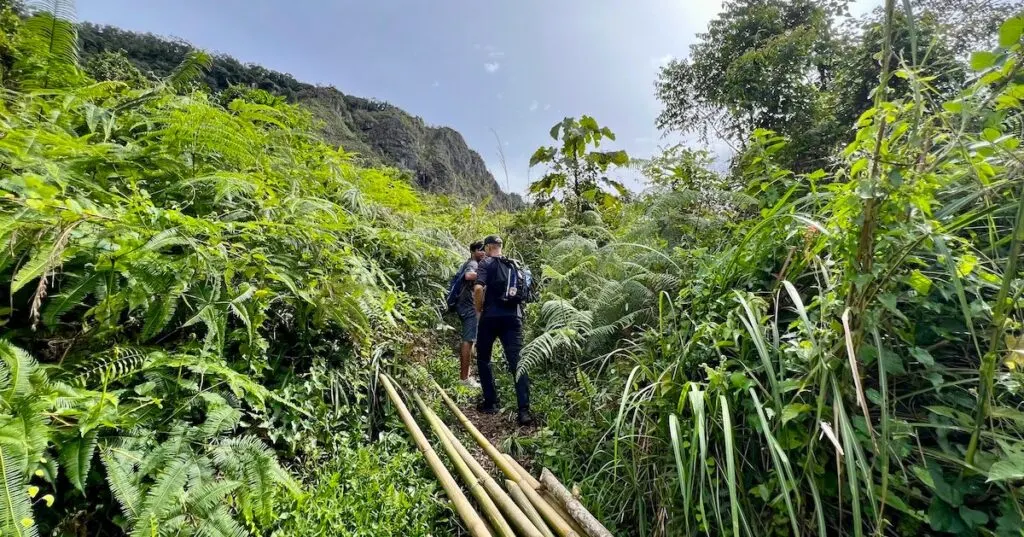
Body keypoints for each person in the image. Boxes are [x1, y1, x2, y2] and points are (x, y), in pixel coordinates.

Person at [472, 235, 533, 426]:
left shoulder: (486, 263)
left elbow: (479, 289)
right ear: (501, 247)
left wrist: (479, 311)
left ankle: (491, 402)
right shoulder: (514, 265)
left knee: (483, 358)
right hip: (513, 318)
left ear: (489, 247)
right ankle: (523, 410)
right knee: (518, 363)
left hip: (490, 318)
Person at [456, 241, 486, 388]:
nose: (483, 253)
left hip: (466, 306)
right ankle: (464, 379)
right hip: (469, 307)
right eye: (481, 250)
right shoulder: (473, 264)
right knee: (468, 339)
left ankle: (467, 376)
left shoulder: (473, 263)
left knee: (471, 339)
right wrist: (486, 274)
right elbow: (468, 276)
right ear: (473, 251)